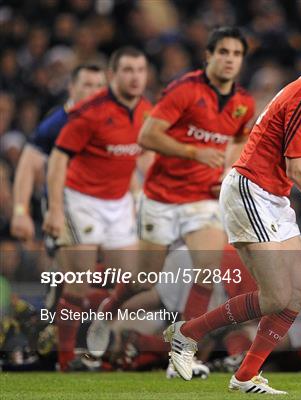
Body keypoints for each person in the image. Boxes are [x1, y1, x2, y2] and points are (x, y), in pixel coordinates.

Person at [163, 25, 301, 394]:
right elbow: (297, 168)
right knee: (275, 296)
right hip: (250, 192)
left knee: (299, 294)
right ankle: (186, 333)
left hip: (272, 197)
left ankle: (245, 376)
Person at [100, 27, 255, 325]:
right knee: (145, 280)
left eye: (237, 54)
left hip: (203, 198)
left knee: (207, 272)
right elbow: (147, 136)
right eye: (223, 52)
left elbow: (238, 140)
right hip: (163, 196)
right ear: (208, 55)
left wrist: (227, 170)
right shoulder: (185, 90)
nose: (230, 60)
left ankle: (185, 347)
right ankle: (111, 307)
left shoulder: (243, 103)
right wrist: (194, 153)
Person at [42, 47, 151, 371]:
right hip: (81, 199)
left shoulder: (147, 110)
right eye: (128, 70)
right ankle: (65, 359)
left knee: (138, 278)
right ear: (112, 76)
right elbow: (58, 159)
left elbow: (144, 154)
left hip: (118, 202)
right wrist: (56, 209)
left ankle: (106, 311)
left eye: (141, 70)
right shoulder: (90, 112)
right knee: (79, 282)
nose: (135, 77)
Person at [10, 65, 105, 241]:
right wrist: (20, 211)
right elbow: (27, 165)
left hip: (105, 205)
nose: (94, 92)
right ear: (72, 87)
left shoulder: (111, 121)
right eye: (87, 85)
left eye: (99, 86)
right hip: (64, 206)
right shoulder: (57, 123)